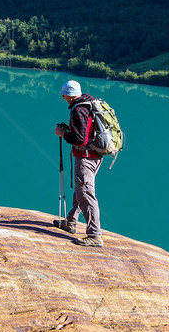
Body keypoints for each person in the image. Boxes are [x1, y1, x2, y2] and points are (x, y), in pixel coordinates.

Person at [52, 79, 105, 247]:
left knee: (86, 194)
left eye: (64, 95)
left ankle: (94, 235)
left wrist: (62, 134)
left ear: (69, 95)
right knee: (81, 190)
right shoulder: (89, 103)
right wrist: (68, 128)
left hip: (86, 157)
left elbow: (80, 139)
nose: (63, 98)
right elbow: (85, 130)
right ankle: (70, 221)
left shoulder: (79, 110)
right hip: (95, 155)